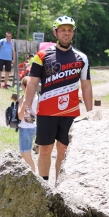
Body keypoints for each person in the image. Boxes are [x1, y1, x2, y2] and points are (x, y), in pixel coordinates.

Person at [21, 16, 92, 182]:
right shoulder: (42, 55)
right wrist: (28, 106)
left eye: (69, 30)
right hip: (46, 111)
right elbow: (31, 83)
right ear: (55, 33)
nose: (66, 34)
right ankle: (44, 186)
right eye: (62, 30)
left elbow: (86, 86)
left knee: (64, 150)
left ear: (73, 33)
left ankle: (60, 186)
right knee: (45, 149)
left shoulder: (82, 58)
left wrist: (90, 113)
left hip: (71, 112)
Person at [15, 77, 37, 172]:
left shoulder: (25, 99)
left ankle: (34, 175)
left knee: (25, 153)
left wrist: (20, 103)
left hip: (25, 128)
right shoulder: (36, 97)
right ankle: (32, 172)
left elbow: (20, 116)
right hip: (33, 127)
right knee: (28, 154)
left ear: (24, 86)